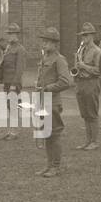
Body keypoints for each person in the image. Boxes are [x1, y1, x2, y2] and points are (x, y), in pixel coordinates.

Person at [33, 27, 72, 177]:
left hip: (52, 102)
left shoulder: (59, 60)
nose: (43, 44)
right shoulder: (45, 58)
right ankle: (49, 165)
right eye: (43, 41)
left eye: (47, 42)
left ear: (55, 44)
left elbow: (66, 81)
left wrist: (49, 88)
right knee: (46, 134)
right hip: (43, 100)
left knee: (54, 134)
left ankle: (56, 166)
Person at [72, 22, 101, 150]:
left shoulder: (97, 51)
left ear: (92, 36)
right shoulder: (81, 50)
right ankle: (88, 140)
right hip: (81, 83)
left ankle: (94, 141)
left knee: (92, 113)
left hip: (91, 83)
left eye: (86, 35)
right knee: (85, 114)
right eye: (83, 35)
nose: (83, 38)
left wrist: (84, 66)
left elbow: (99, 70)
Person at [0, 22, 27, 141]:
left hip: (14, 83)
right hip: (7, 81)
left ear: (17, 35)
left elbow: (20, 69)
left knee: (14, 107)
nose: (10, 36)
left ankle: (14, 132)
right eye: (9, 34)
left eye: (13, 34)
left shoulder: (20, 49)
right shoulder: (8, 48)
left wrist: (14, 85)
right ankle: (11, 130)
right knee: (10, 107)